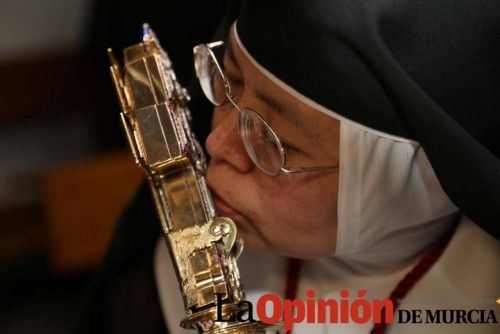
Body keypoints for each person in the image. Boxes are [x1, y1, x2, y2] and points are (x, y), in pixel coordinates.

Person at [79, 1, 499, 333]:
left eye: (273, 141)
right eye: (230, 82)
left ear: (406, 185)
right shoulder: (152, 291)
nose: (215, 143)